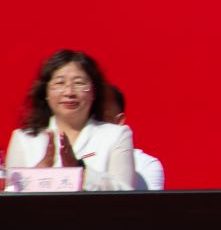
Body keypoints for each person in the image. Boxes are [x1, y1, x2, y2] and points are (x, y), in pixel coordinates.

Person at [5, 50, 137, 191]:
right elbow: (10, 194)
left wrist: (79, 170)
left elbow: (125, 191)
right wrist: (39, 172)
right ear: (46, 92)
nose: (69, 92)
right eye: (59, 83)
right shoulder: (24, 139)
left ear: (94, 92)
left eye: (79, 83)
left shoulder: (116, 135)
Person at [103, 85, 165, 190]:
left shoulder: (144, 165)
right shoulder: (72, 153)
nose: (93, 125)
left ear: (119, 121)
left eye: (101, 119)